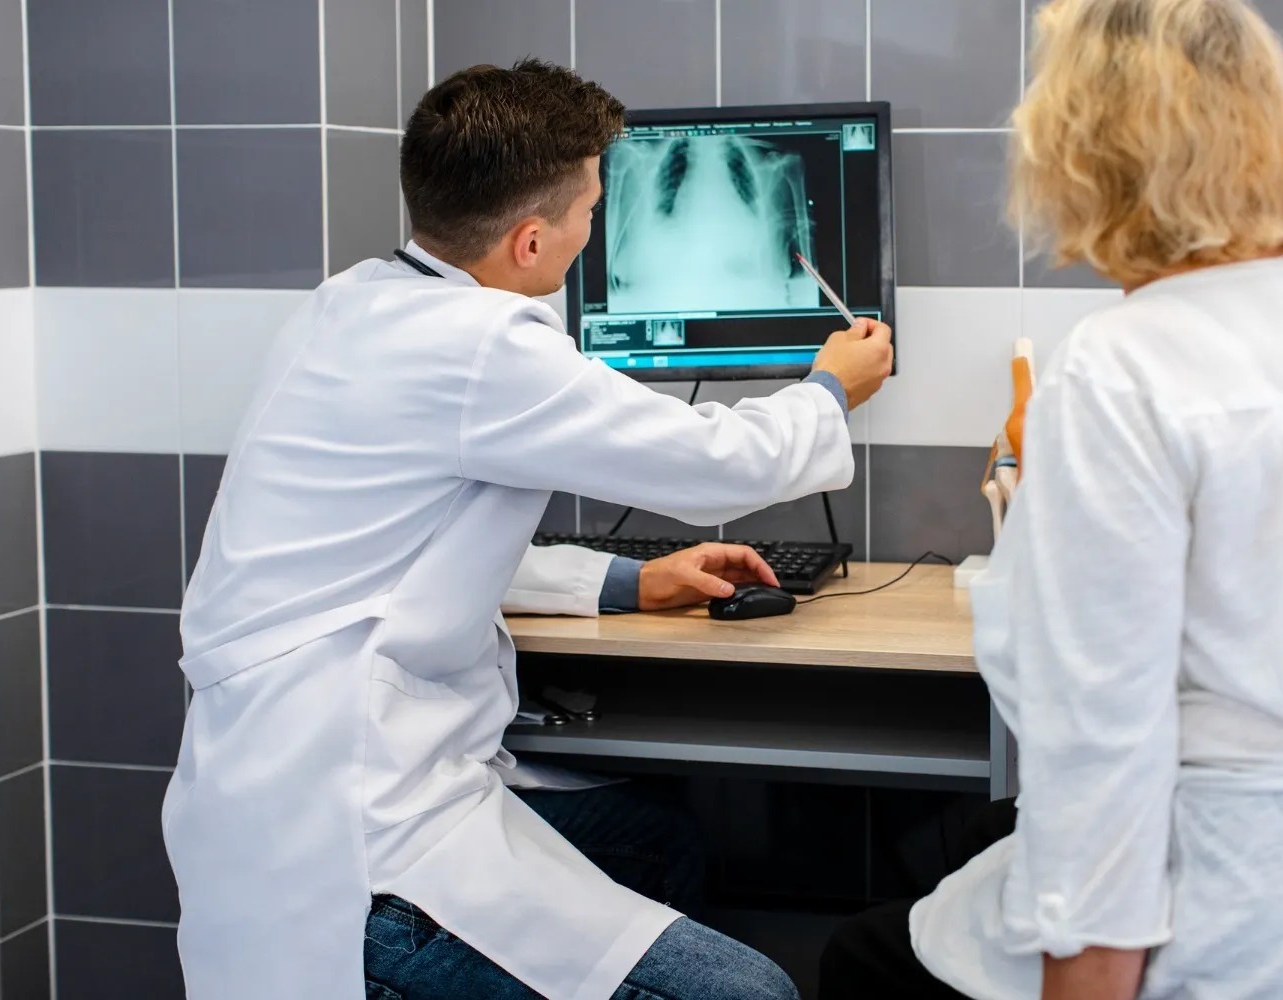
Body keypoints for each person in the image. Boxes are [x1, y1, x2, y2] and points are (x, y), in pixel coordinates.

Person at [163, 60, 893, 1000]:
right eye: (591, 208)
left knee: (655, 844)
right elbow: (719, 465)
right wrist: (832, 388)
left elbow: (397, 558)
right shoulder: (483, 343)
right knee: (752, 994)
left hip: (267, 789)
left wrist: (631, 582)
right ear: (532, 240)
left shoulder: (349, 303)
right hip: (355, 837)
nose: (594, 229)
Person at [820, 1, 1283, 998]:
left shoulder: (1122, 366)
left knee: (863, 956)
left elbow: (1098, 756)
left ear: (1080, 154)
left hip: (1237, 906)